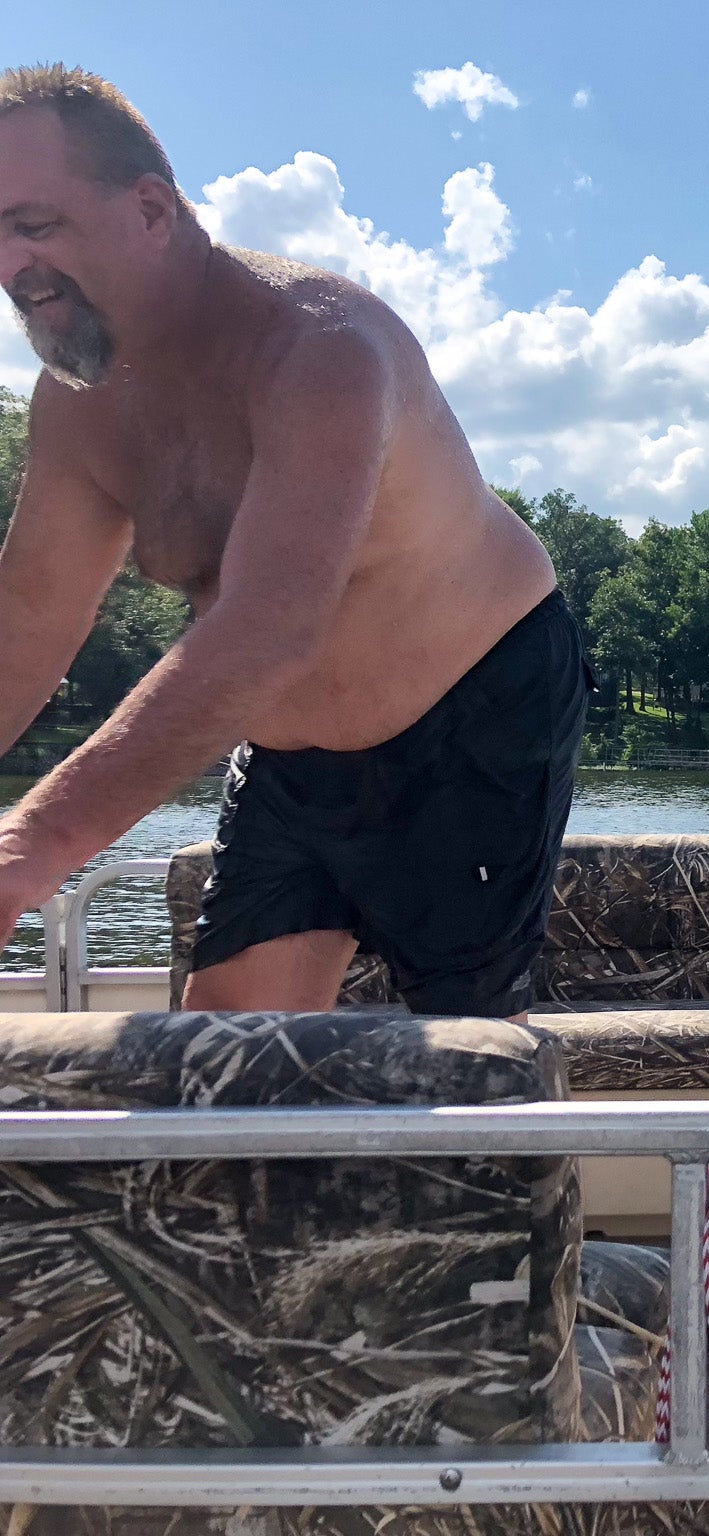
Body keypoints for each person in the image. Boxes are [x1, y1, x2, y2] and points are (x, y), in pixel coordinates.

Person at [0, 64, 594, 1020]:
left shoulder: (320, 352)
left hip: (478, 710)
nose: (12, 267)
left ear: (153, 210)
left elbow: (272, 627)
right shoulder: (78, 408)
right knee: (224, 1053)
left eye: (35, 225)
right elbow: (26, 618)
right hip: (286, 756)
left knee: (464, 1062)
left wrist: (28, 848)